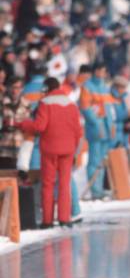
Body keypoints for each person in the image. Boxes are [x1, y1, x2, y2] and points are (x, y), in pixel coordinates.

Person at [17, 77, 82, 228]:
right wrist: (75, 151)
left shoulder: (45, 103)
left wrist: (25, 124)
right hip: (68, 150)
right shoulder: (71, 104)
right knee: (64, 184)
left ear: (47, 89)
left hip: (50, 150)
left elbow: (40, 126)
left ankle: (47, 220)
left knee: (48, 184)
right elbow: (78, 131)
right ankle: (64, 219)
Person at [80, 61, 114, 200]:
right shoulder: (88, 87)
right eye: (99, 71)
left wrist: (111, 125)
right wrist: (96, 124)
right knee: (94, 160)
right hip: (95, 128)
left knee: (101, 160)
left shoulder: (105, 87)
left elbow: (108, 108)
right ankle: (95, 190)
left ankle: (100, 188)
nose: (101, 74)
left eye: (104, 71)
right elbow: (85, 108)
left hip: (105, 126)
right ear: (94, 72)